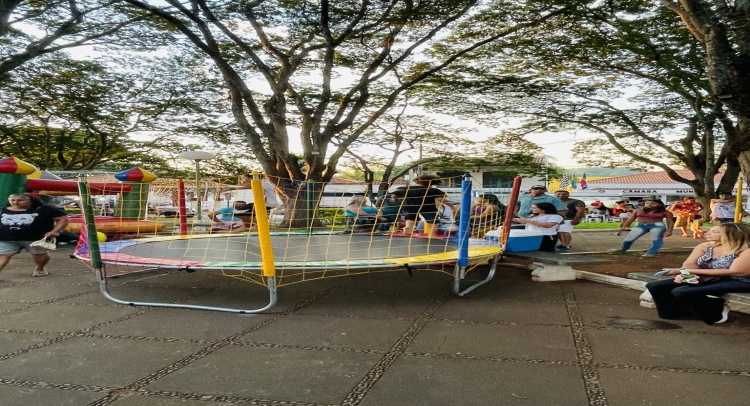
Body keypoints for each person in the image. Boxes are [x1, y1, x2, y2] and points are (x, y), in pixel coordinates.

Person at [646, 223, 750, 325]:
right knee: (655, 286)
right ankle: (683, 311)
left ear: (731, 235)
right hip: (712, 277)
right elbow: (689, 263)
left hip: (740, 280)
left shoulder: (745, 250)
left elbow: (735, 271)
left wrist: (685, 271)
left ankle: (716, 309)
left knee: (682, 291)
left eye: (715, 232)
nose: (708, 233)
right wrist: (686, 275)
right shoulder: (706, 246)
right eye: (710, 230)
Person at [0, 193, 70, 277]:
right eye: (12, 200)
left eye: (20, 200)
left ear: (31, 201)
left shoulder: (43, 209)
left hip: (35, 238)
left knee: (40, 256)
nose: (15, 202)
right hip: (7, 238)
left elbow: (63, 218)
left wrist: (55, 231)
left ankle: (40, 269)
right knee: (2, 256)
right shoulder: (3, 210)